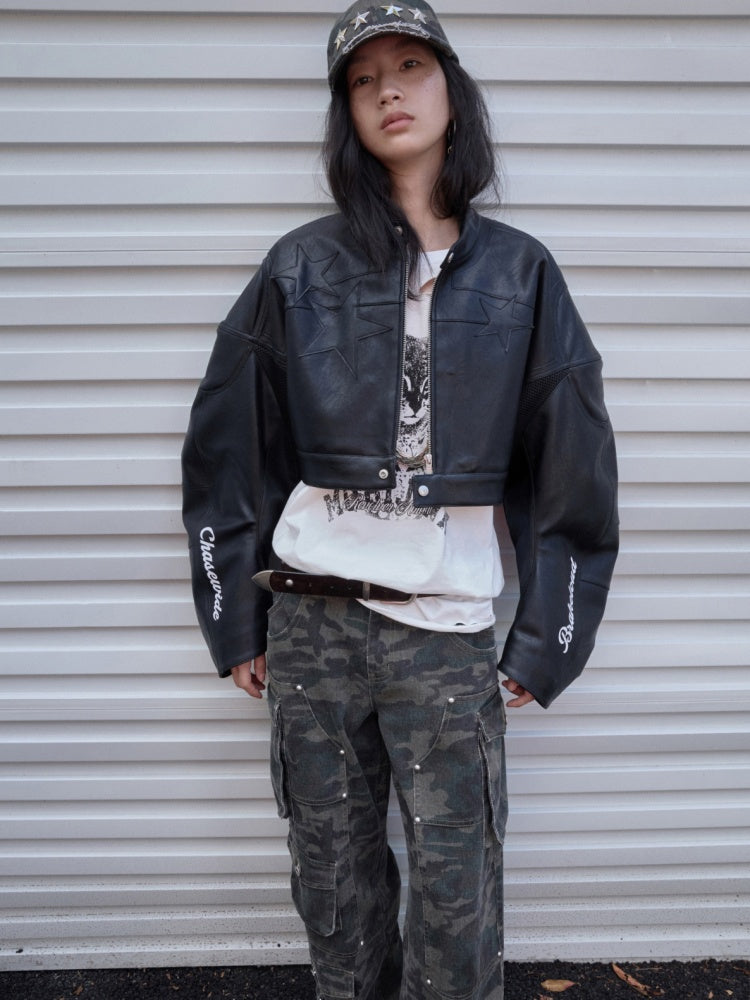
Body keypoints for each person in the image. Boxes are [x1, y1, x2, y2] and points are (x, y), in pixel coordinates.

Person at [181, 2, 618, 998]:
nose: (388, 90)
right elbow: (227, 448)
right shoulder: (299, 267)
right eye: (363, 77)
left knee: (458, 891)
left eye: (411, 66)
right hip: (311, 629)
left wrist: (547, 636)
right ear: (346, 111)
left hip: (444, 632)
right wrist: (235, 618)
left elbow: (573, 462)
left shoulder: (519, 273)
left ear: (451, 92)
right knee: (334, 886)